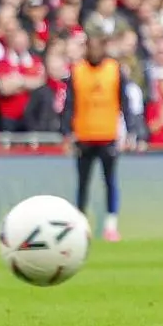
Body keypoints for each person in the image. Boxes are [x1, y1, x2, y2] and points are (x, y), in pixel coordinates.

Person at [63, 34, 131, 242]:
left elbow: (124, 103)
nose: (94, 52)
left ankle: (111, 225)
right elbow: (69, 105)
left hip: (107, 134)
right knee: (83, 183)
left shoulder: (114, 70)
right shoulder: (77, 71)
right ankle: (81, 225)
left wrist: (127, 132)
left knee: (109, 181)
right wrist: (67, 132)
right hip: (84, 135)